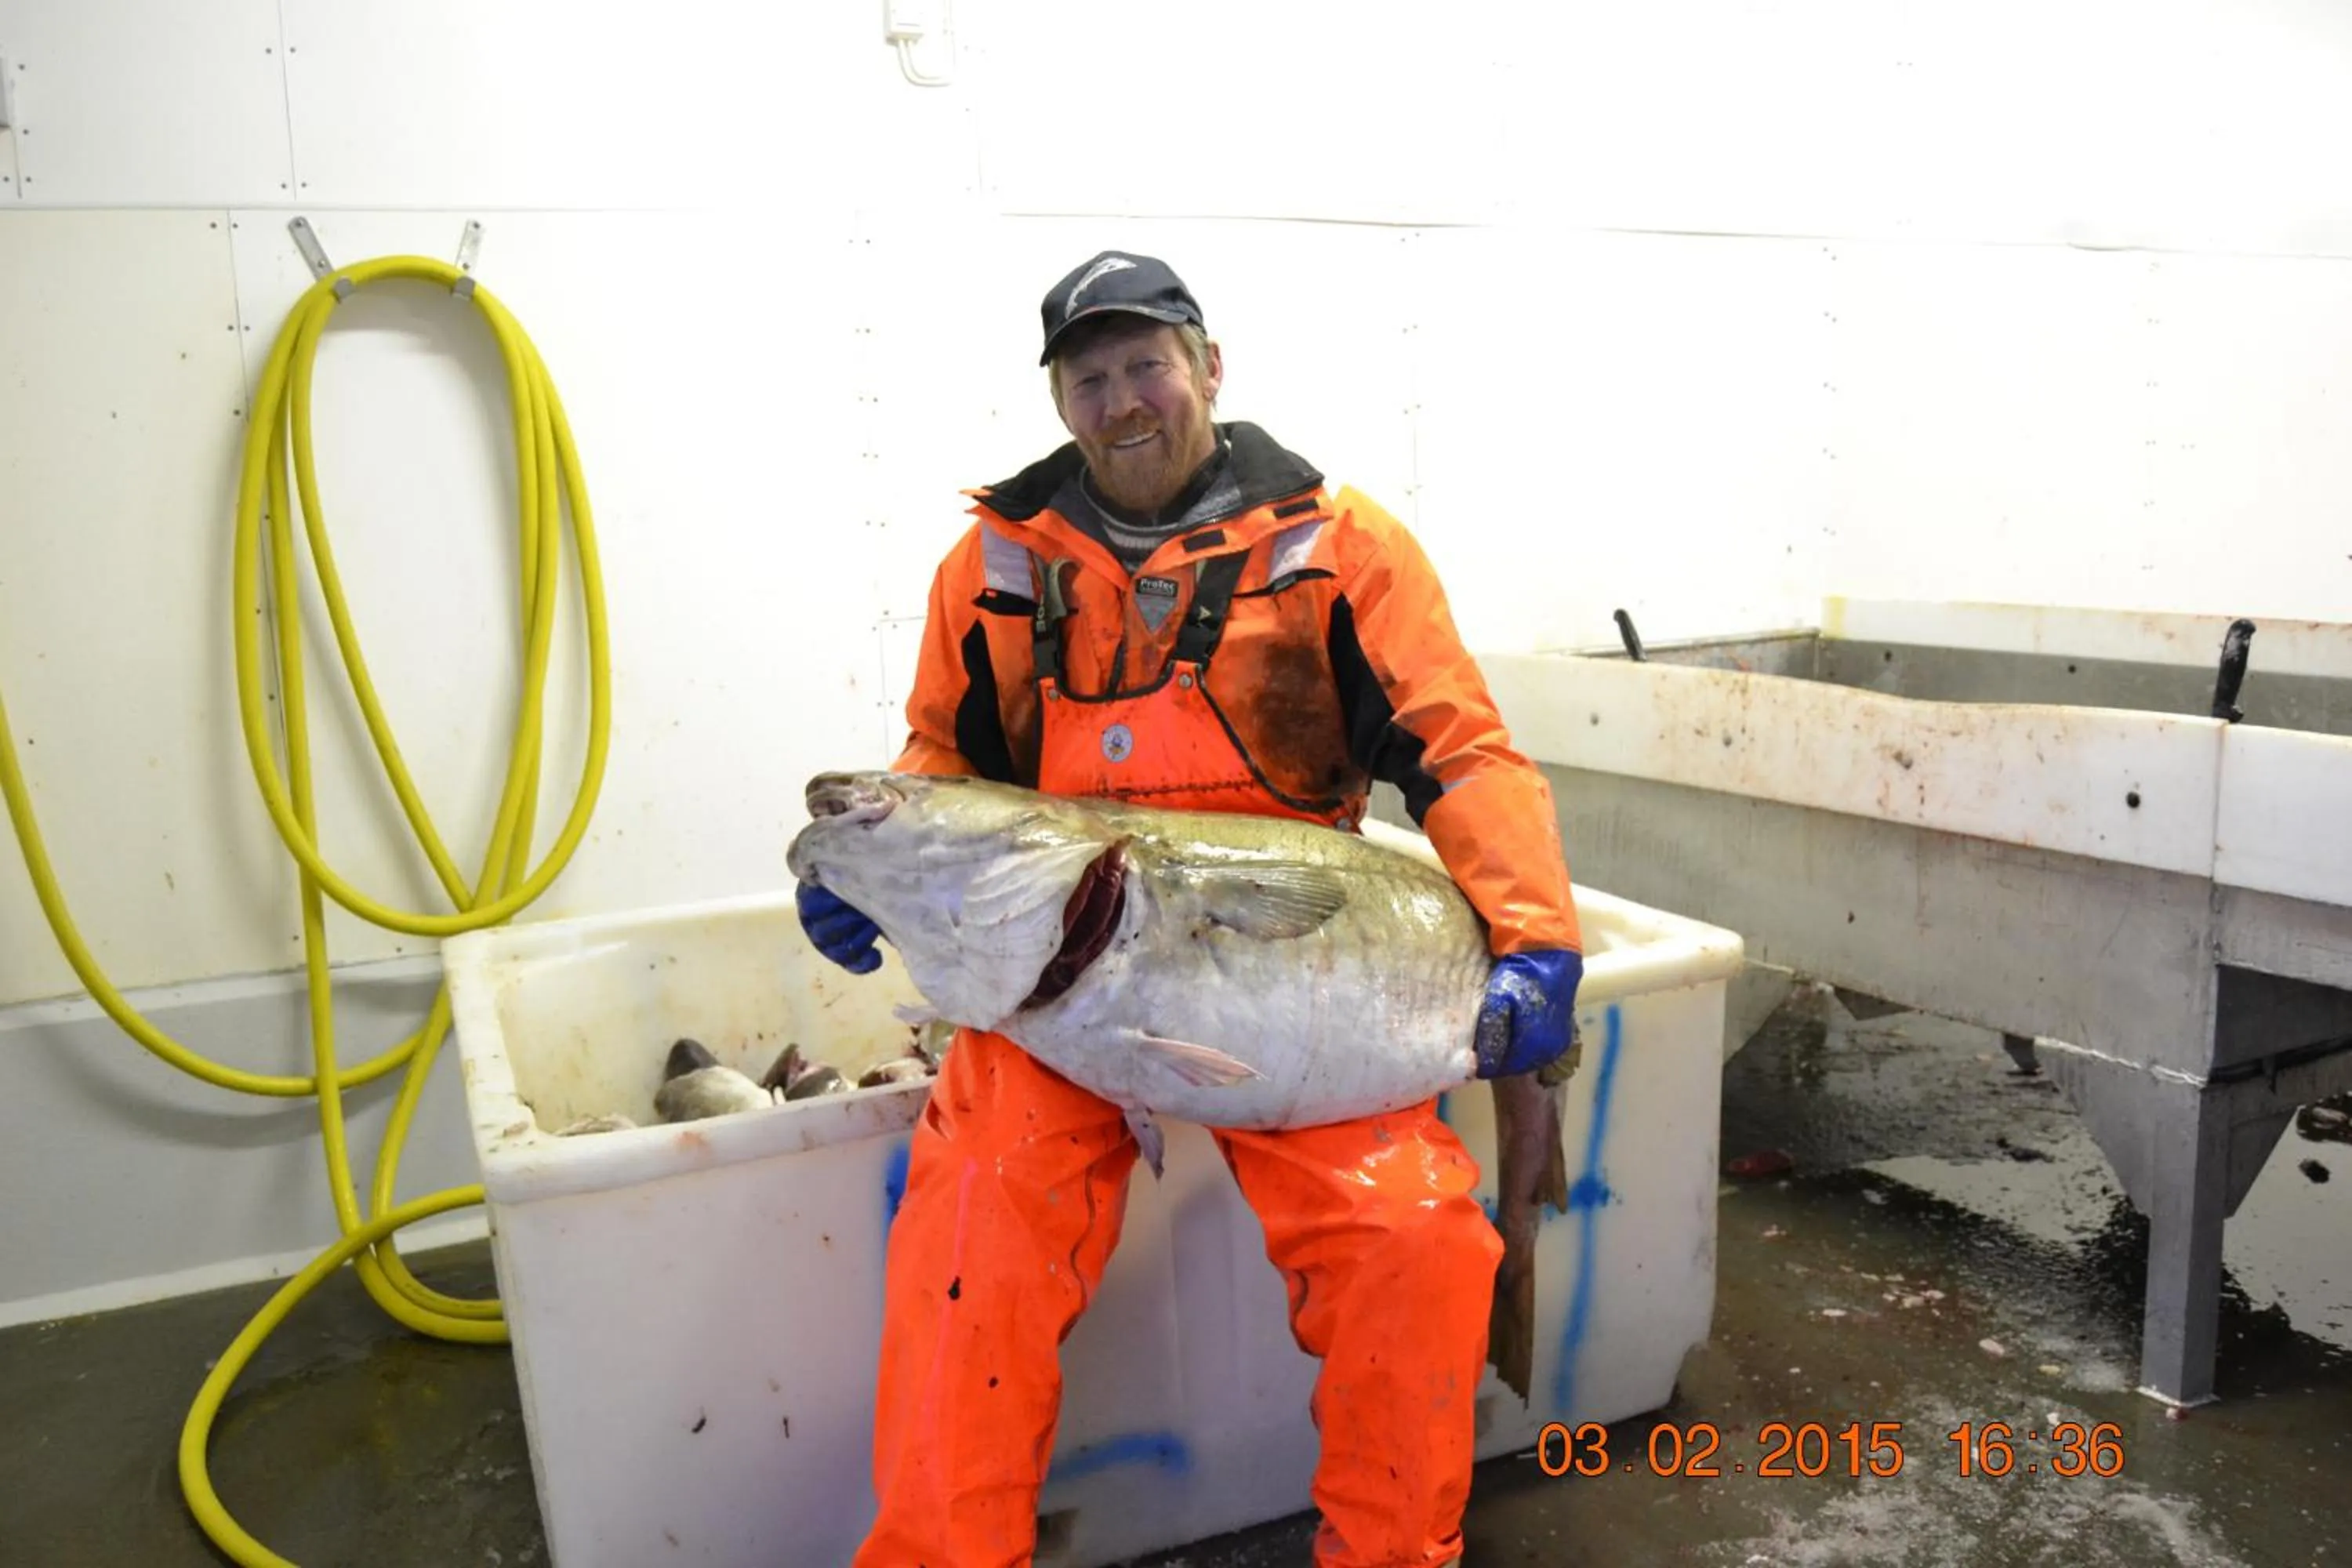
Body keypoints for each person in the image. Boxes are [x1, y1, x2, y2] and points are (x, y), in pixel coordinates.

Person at [796, 250, 1584, 1567]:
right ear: (1061, 402)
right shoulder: (990, 566)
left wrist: (1537, 942)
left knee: (1413, 1239)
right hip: (1062, 986)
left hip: (1289, 972)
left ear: (1209, 367)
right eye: (1088, 377)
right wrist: (874, 880)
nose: (1122, 401)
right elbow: (945, 756)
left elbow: (1461, 752)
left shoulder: (1342, 546)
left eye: (1145, 364)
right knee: (973, 1220)